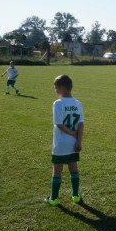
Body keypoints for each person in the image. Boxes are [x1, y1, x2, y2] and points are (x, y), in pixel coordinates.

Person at [45, 74, 84, 206]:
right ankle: (76, 196)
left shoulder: (58, 104)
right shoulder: (78, 103)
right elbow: (81, 124)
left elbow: (59, 124)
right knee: (73, 169)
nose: (55, 91)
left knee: (57, 170)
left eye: (56, 88)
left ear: (63, 88)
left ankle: (54, 199)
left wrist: (72, 134)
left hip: (61, 143)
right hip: (73, 143)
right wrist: (78, 140)